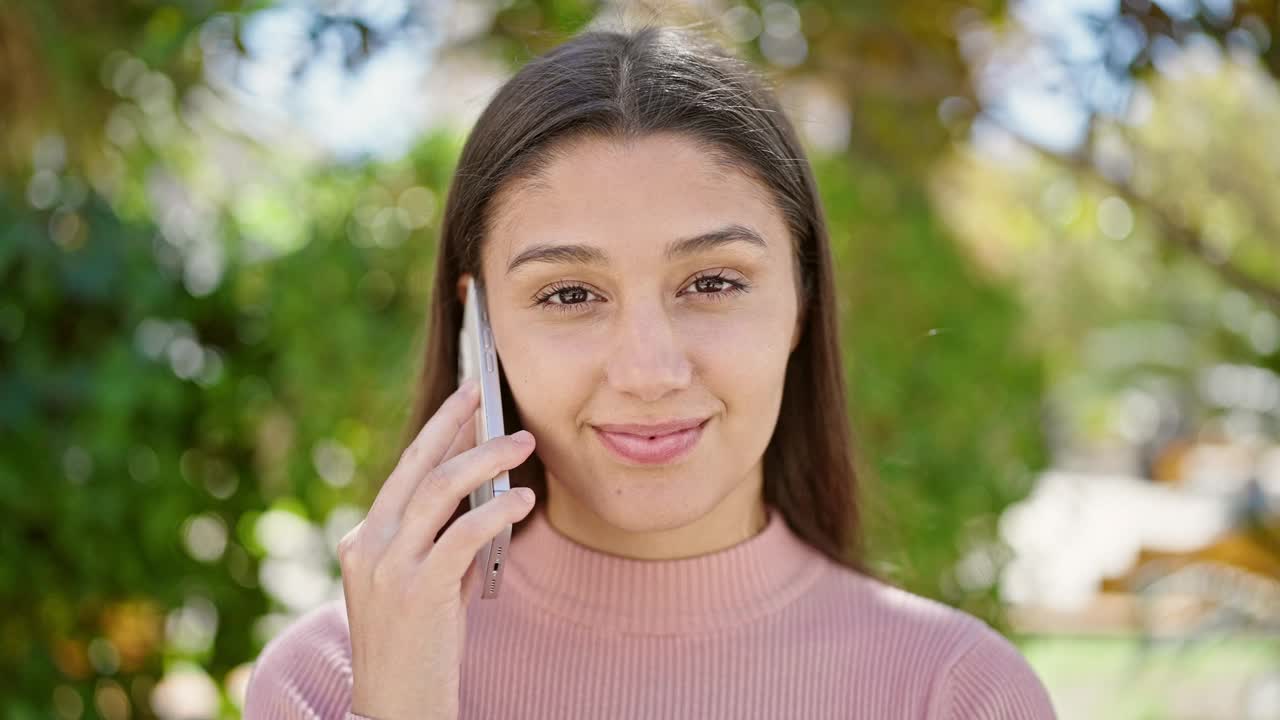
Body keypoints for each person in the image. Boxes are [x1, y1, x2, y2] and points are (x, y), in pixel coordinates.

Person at [242, 23, 1057, 720]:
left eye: (711, 283)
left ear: (802, 303)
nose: (649, 370)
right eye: (569, 293)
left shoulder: (952, 694)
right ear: (478, 328)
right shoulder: (326, 683)